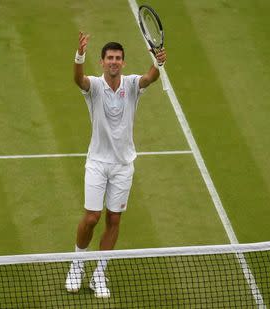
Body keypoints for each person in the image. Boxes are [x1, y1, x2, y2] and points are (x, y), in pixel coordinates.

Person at [65, 32, 167, 298]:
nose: (114, 62)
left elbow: (149, 78)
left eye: (118, 58)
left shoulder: (132, 84)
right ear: (101, 62)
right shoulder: (96, 86)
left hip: (123, 165)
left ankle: (99, 274)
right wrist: (79, 55)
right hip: (97, 163)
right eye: (109, 58)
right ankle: (76, 266)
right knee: (91, 217)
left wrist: (157, 63)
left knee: (113, 219)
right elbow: (79, 79)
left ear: (123, 62)